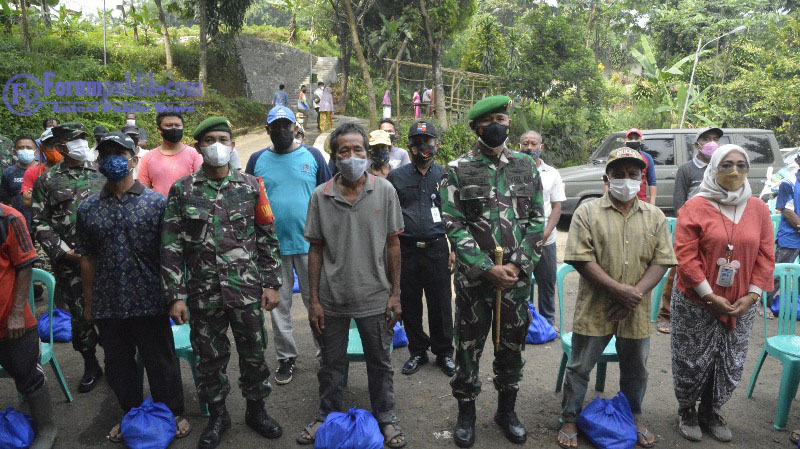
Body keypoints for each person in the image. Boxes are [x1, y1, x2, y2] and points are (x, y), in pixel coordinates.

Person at [161, 116, 283, 449]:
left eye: (224, 139)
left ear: (232, 146)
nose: (218, 145)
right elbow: (171, 246)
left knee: (254, 354)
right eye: (210, 139)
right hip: (203, 293)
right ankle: (218, 416)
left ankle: (256, 411)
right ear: (199, 146)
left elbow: (267, 237)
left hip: (246, 291)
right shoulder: (182, 190)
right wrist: (175, 296)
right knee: (210, 358)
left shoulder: (251, 186)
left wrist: (272, 283)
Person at [441, 96, 544, 447]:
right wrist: (486, 268)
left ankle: (506, 411)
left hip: (515, 282)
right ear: (475, 127)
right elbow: (453, 224)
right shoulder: (458, 168)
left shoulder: (526, 167)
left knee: (511, 347)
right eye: (489, 120)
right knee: (468, 348)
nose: (497, 124)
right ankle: (466, 414)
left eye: (502, 117)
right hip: (474, 283)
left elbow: (536, 219)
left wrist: (516, 265)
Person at [297, 122, 406, 448]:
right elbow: (315, 249)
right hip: (332, 298)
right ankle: (325, 414)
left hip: (375, 296)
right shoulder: (321, 195)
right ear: (334, 156)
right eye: (344, 150)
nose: (352, 156)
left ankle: (386, 417)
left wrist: (396, 293)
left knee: (380, 363)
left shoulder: (384, 191)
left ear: (367, 153)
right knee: (331, 364)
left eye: (358, 150)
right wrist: (313, 300)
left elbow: (393, 245)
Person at [558, 148, 675, 449]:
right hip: (596, 306)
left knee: (637, 368)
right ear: (606, 178)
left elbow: (662, 260)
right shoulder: (587, 212)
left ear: (642, 178)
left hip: (636, 308)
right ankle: (570, 417)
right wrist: (617, 290)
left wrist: (633, 294)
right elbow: (580, 259)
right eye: (619, 174)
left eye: (633, 174)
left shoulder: (655, 216)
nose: (626, 180)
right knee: (580, 366)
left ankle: (634, 414)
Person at [76, 132, 190, 443]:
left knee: (160, 360)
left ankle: (173, 412)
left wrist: (175, 296)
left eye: (119, 153)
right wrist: (88, 303)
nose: (112, 159)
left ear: (133, 159)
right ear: (99, 163)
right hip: (109, 301)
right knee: (118, 364)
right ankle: (130, 414)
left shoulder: (156, 203)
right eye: (106, 154)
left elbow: (171, 253)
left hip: (150, 297)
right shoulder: (88, 208)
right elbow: (87, 257)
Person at [672, 144, 774, 443]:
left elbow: (766, 256)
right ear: (713, 168)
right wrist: (709, 296)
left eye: (742, 165)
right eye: (726, 165)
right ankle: (687, 409)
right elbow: (685, 258)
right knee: (692, 359)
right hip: (696, 302)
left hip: (741, 304)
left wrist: (752, 296)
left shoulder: (759, 208)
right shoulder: (695, 207)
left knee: (727, 360)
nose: (734, 171)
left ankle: (711, 411)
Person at [245, 106, 331, 385]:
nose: (281, 131)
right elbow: (247, 200)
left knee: (316, 302)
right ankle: (286, 358)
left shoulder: (314, 156)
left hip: (311, 245)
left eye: (286, 125)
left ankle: (325, 354)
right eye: (276, 126)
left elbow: (328, 196)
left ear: (296, 127)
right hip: (271, 247)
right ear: (267, 129)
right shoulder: (257, 159)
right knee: (278, 306)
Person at [31, 122, 104, 394]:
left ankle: (116, 360)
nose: (82, 144)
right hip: (71, 263)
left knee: (111, 312)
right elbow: (40, 222)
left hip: (106, 260)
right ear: (61, 147)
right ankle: (90, 364)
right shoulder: (47, 180)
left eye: (84, 138)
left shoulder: (101, 172)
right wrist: (63, 252)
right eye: (76, 140)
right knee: (80, 315)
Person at [387, 120, 455, 377]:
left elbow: (454, 215)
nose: (423, 146)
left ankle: (445, 353)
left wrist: (454, 248)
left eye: (428, 141)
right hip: (407, 250)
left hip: (438, 248)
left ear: (436, 144)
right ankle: (418, 352)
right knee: (410, 302)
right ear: (409, 146)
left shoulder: (446, 176)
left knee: (440, 303)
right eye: (417, 142)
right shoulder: (397, 177)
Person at [0, 203, 57, 449]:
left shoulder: (9, 219)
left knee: (28, 375)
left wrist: (15, 314)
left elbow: (25, 266)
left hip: (11, 320)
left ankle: (47, 427)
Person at [657, 127, 722, 334]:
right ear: (697, 145)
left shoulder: (721, 167)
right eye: (706, 138)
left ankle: (706, 311)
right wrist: (688, 227)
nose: (711, 142)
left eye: (715, 138)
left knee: (711, 268)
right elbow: (678, 202)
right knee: (679, 267)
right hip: (691, 227)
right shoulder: (687, 169)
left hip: (715, 228)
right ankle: (665, 314)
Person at [519, 130, 564, 327]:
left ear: (541, 147)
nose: (529, 147)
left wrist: (545, 234)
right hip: (520, 239)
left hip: (546, 239)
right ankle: (522, 323)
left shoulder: (552, 173)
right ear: (519, 146)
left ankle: (547, 322)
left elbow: (556, 207)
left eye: (533, 144)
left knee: (547, 283)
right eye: (525, 144)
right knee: (520, 282)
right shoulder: (511, 171)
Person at [137, 112, 203, 197]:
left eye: (177, 125)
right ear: (159, 130)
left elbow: (201, 185)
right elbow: (143, 189)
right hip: (158, 208)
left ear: (183, 127)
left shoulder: (195, 155)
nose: (174, 129)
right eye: (169, 125)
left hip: (185, 207)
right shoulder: (148, 157)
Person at [772, 151, 800, 312]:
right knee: (778, 272)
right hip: (790, 237)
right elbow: (787, 210)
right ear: (798, 160)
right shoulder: (788, 182)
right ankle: (766, 303)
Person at [1, 136, 37, 229]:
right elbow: (5, 199)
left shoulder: (44, 171)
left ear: (36, 152)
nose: (25, 150)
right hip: (18, 224)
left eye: (29, 148)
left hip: (42, 225)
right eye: (21, 148)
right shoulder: (9, 172)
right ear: (15, 152)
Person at [21, 129, 61, 209]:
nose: (54, 148)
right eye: (49, 145)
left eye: (57, 144)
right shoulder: (32, 172)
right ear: (42, 147)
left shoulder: (75, 169)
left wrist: (38, 196)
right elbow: (27, 201)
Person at [623, 128, 657, 205]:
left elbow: (652, 182)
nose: (633, 140)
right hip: (622, 202)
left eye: (636, 138)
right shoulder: (618, 157)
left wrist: (652, 203)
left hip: (641, 202)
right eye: (630, 138)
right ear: (625, 140)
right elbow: (609, 181)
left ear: (640, 140)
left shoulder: (647, 158)